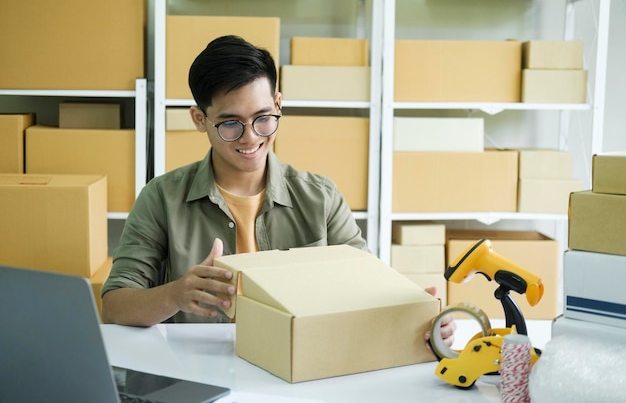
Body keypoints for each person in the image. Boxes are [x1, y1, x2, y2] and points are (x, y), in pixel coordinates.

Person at [101, 35, 455, 347]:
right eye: (229, 124)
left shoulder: (321, 198)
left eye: (263, 117)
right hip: (200, 373)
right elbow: (115, 304)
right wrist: (176, 295)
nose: (251, 137)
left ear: (279, 104)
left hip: (301, 370)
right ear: (198, 119)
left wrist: (417, 318)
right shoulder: (162, 197)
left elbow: (367, 289)